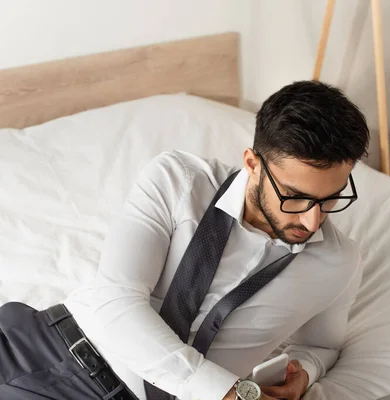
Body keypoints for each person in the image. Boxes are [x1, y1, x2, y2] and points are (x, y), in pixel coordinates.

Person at [0, 80, 370, 400]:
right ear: (253, 164)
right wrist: (223, 391)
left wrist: (303, 371)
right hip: (61, 355)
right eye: (295, 196)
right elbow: (115, 301)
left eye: (330, 199)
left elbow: (323, 345)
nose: (312, 219)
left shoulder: (338, 263)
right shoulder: (177, 181)